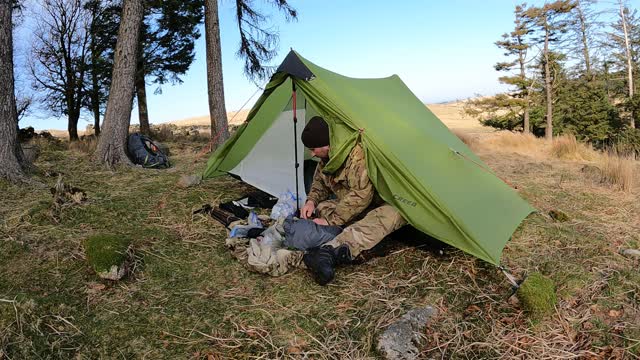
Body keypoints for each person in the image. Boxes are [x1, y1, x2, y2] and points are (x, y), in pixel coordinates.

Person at [300, 116, 407, 285]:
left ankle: (331, 251)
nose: (312, 153)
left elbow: (361, 195)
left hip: (387, 203)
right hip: (361, 206)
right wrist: (311, 201)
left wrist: (331, 220)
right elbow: (319, 182)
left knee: (391, 215)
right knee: (323, 206)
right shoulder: (328, 159)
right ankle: (364, 232)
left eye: (313, 149)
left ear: (327, 144)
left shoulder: (357, 156)